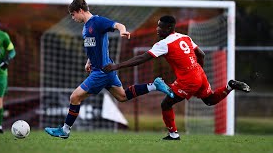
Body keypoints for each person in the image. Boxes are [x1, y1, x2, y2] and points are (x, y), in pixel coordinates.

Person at [103, 15, 251, 140]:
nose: (157, 29)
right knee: (210, 100)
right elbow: (201, 54)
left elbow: (142, 58)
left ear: (168, 29)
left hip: (189, 79)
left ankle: (173, 134)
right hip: (198, 72)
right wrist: (199, 72)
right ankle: (230, 85)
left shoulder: (164, 43)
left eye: (160, 27)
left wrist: (117, 66)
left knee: (166, 104)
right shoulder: (185, 37)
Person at [44, 0, 171, 139]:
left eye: (73, 14)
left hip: (101, 72)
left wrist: (122, 31)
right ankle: (154, 85)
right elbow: (94, 47)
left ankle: (65, 130)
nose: (73, 18)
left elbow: (118, 25)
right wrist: (89, 61)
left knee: (74, 97)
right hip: (106, 70)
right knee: (122, 96)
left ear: (80, 10)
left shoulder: (97, 22)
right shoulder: (86, 27)